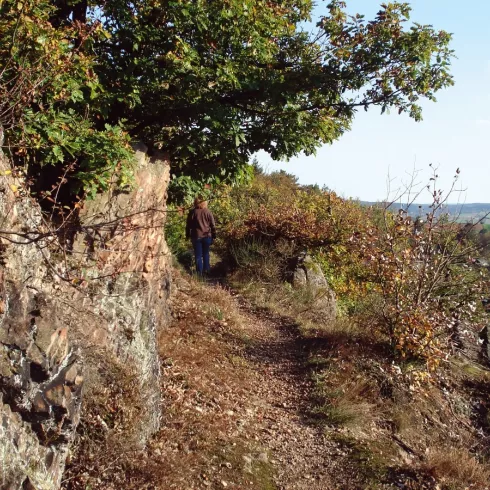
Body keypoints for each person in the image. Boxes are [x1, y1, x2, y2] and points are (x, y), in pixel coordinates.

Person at [186, 196, 216, 274]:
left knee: (198, 254)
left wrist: (187, 235)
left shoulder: (192, 212)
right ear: (205, 202)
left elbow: (188, 225)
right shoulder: (208, 212)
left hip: (196, 236)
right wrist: (214, 235)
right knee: (206, 253)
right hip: (207, 236)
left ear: (195, 202)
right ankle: (207, 270)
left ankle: (199, 272)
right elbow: (213, 225)